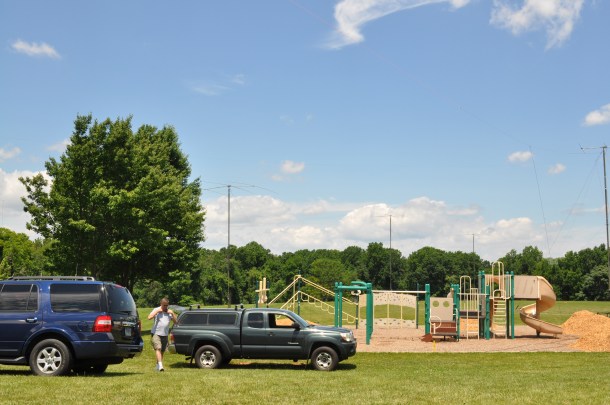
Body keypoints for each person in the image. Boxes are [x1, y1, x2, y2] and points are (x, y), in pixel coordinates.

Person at [147, 297, 178, 372]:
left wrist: (172, 313)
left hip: (165, 334)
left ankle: (157, 366)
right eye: (164, 305)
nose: (165, 307)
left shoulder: (169, 312)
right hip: (156, 333)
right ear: (161, 304)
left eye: (167, 305)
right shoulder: (156, 309)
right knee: (158, 348)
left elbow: (176, 322)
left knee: (162, 351)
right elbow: (149, 317)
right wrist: (157, 311)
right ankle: (161, 366)